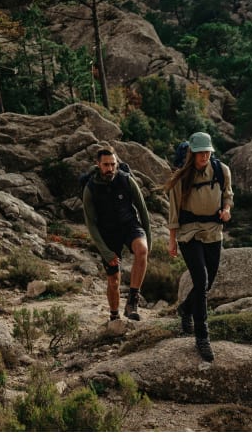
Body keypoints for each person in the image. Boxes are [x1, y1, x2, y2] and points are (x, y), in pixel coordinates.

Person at [164, 131, 233, 362]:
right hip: (189, 232)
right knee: (201, 280)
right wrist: (172, 241)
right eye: (200, 152)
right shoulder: (180, 178)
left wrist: (227, 210)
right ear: (191, 153)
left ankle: (185, 309)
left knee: (209, 280)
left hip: (213, 231)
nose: (204, 156)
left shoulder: (222, 171)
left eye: (207, 152)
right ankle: (202, 336)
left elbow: (227, 195)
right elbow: (173, 212)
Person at [82, 145, 151, 322]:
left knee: (142, 250)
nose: (110, 168)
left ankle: (132, 302)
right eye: (106, 165)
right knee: (113, 280)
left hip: (129, 225)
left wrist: (148, 242)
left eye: (113, 164)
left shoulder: (126, 180)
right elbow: (91, 224)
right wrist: (105, 251)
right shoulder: (90, 189)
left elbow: (143, 212)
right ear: (98, 164)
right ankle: (114, 316)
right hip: (107, 233)